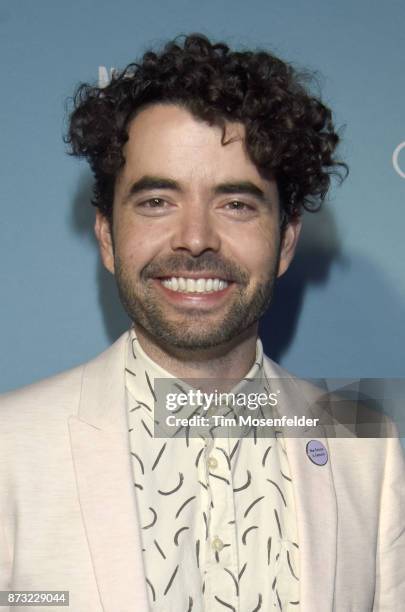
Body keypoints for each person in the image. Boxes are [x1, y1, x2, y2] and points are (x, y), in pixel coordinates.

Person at [0, 34, 404, 612]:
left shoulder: (369, 448)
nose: (195, 238)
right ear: (107, 236)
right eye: (157, 201)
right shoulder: (8, 448)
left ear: (286, 241)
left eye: (236, 203)